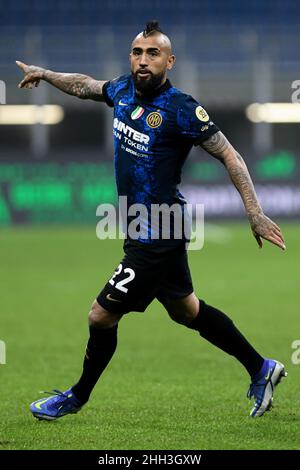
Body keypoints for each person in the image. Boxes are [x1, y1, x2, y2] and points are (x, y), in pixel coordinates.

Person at [17, 20, 287, 421]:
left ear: (170, 61)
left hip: (158, 231)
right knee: (186, 311)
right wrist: (45, 74)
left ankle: (75, 397)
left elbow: (230, 154)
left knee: (100, 314)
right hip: (144, 226)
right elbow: (85, 85)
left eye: (153, 53)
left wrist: (254, 211)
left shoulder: (181, 108)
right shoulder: (123, 89)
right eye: (137, 52)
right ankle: (261, 368)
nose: (143, 60)